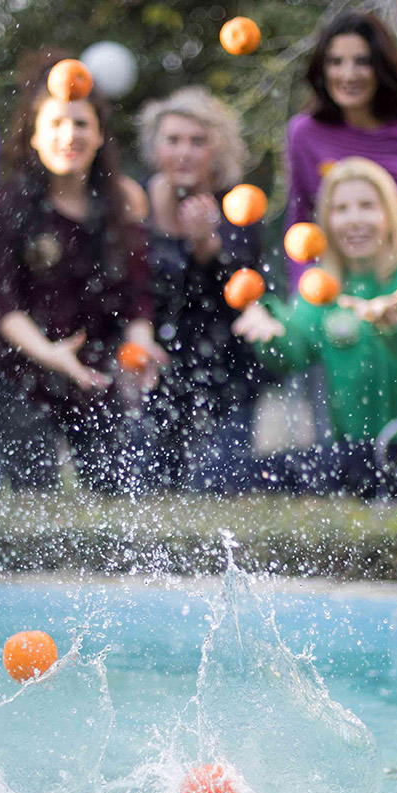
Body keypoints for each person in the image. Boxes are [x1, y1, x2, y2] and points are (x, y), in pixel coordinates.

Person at [0, 51, 163, 493]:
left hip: (96, 372)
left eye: (81, 123)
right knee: (36, 507)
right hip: (21, 373)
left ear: (100, 135)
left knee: (114, 501)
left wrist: (142, 340)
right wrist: (51, 354)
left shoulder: (119, 208)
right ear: (34, 137)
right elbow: (4, 305)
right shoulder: (7, 208)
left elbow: (137, 291)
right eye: (56, 124)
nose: (70, 135)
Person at [233, 157, 397, 496]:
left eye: (367, 206)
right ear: (326, 220)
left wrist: (395, 326)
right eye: (340, 209)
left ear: (390, 214)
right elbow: (292, 350)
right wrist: (268, 327)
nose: (354, 219)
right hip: (361, 452)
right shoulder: (323, 285)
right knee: (250, 475)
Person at [136, 86, 266, 490]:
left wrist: (208, 246)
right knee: (150, 498)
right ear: (155, 146)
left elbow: (244, 288)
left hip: (226, 378)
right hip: (155, 376)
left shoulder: (239, 205)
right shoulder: (135, 204)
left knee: (217, 492)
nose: (184, 152)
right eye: (173, 140)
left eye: (198, 141)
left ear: (217, 150)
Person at [285, 10, 397, 285]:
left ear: (382, 67)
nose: (348, 75)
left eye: (362, 62)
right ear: (322, 69)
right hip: (338, 300)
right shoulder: (304, 134)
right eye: (336, 62)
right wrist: (309, 291)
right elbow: (298, 227)